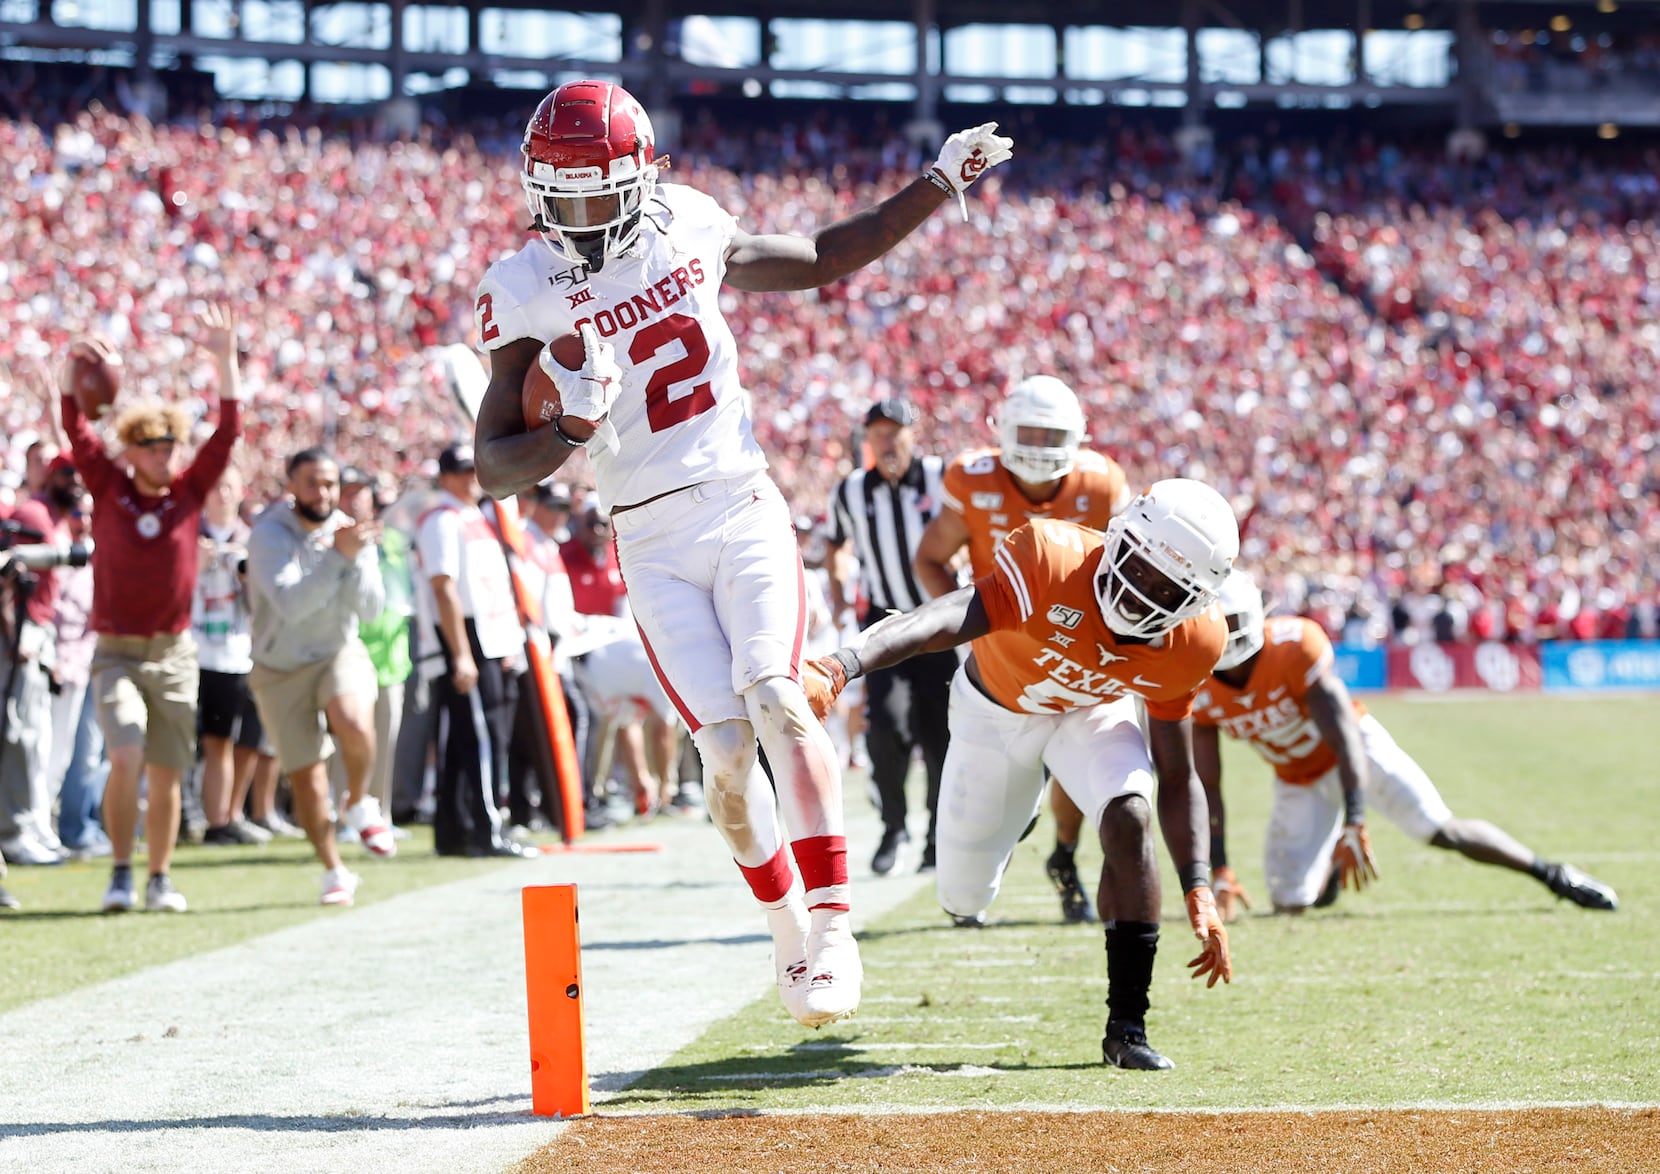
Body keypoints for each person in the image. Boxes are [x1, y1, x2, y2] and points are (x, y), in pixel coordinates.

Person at [469, 78, 1012, 1028]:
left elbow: (812, 258)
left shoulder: (686, 222)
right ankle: (786, 932)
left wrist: (932, 184)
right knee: (723, 752)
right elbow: (494, 466)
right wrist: (570, 431)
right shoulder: (521, 286)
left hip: (738, 497)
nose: (580, 215)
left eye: (597, 190)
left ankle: (836, 926)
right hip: (644, 529)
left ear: (641, 178)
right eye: (563, 194)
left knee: (778, 693)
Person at [803, 479, 1238, 1070]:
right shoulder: (1051, 557)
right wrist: (841, 664)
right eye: (1140, 566)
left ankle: (1127, 1027)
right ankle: (1020, 812)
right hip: (996, 714)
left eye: (1168, 587)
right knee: (963, 894)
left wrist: (1198, 884)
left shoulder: (1193, 641)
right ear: (1118, 538)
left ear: (1197, 602)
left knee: (1130, 812)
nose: (1142, 592)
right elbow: (944, 616)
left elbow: (1178, 770)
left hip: (1091, 711)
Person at [1192, 569, 1619, 917]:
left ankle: (1554, 875)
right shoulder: (1194, 682)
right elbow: (1208, 786)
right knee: (1290, 903)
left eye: (1233, 623)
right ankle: (1331, 875)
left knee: (1440, 830)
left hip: (1359, 753)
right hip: (1297, 778)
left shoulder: (1294, 645)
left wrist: (1355, 818)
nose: (1228, 634)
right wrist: (1222, 869)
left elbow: (1345, 739)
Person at [914, 375, 1133, 922]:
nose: (1037, 447)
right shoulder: (971, 477)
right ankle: (1008, 841)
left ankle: (1063, 856)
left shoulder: (1102, 484)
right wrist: (970, 633)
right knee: (994, 799)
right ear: (1003, 431)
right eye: (1027, 433)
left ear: (1077, 437)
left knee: (1087, 772)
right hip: (1001, 657)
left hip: (1080, 650)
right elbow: (930, 559)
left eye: (1050, 434)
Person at [62, 309, 243, 914]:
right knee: (125, 752)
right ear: (132, 450)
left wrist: (224, 360)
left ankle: (159, 876)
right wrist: (70, 375)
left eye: (170, 444)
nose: (166, 454)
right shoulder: (108, 488)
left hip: (174, 652)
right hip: (116, 650)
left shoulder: (189, 495)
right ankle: (119, 871)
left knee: (166, 773)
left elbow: (227, 433)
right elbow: (76, 430)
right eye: (153, 445)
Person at [246, 448, 395, 906]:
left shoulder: (349, 532)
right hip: (279, 668)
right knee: (307, 780)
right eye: (311, 482)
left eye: (330, 483)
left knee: (353, 719)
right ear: (291, 486)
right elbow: (290, 606)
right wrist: (338, 558)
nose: (322, 492)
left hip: (336, 651)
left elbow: (371, 609)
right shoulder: (268, 534)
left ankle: (358, 802)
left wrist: (353, 556)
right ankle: (334, 870)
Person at [825, 397, 954, 876]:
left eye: (894, 431)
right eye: (877, 432)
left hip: (943, 620)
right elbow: (836, 541)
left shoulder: (944, 478)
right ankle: (894, 826)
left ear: (912, 433)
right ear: (868, 439)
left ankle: (938, 840)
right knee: (884, 729)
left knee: (942, 737)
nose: (886, 440)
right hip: (885, 625)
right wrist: (840, 587)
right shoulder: (852, 491)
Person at [415, 444, 536, 860]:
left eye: (474, 469)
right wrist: (461, 653)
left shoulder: (476, 518)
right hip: (466, 637)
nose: (472, 477)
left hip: (489, 637)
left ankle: (456, 830)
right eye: (463, 470)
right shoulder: (442, 520)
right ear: (445, 476)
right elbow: (443, 586)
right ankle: (487, 830)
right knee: (480, 740)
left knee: (470, 740)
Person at [190, 464, 274, 847]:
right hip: (187, 652)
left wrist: (247, 577)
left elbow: (267, 603)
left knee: (221, 739)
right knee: (177, 740)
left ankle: (219, 819)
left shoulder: (254, 539)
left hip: (232, 654)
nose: (222, 494)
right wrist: (194, 567)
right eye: (215, 486)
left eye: (229, 486)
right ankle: (173, 815)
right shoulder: (187, 534)